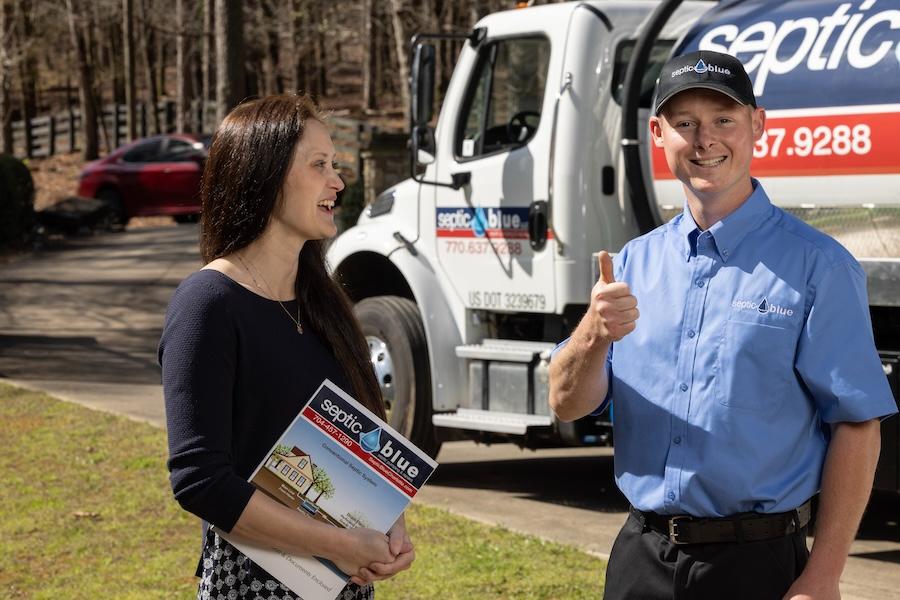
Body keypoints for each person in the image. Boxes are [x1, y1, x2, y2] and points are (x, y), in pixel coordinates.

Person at [548, 50, 897, 600]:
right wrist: (594, 330)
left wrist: (823, 575)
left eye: (723, 120)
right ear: (658, 134)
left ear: (758, 124)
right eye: (684, 124)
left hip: (759, 567)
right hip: (641, 560)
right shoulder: (632, 264)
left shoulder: (819, 267)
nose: (705, 140)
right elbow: (566, 404)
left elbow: (857, 426)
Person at [159, 93, 415, 600]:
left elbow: (359, 434)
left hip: (344, 584)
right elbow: (199, 481)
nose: (337, 182)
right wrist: (337, 543)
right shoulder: (207, 304)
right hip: (253, 586)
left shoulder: (326, 302)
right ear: (265, 175)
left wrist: (391, 520)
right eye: (319, 165)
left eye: (335, 165)